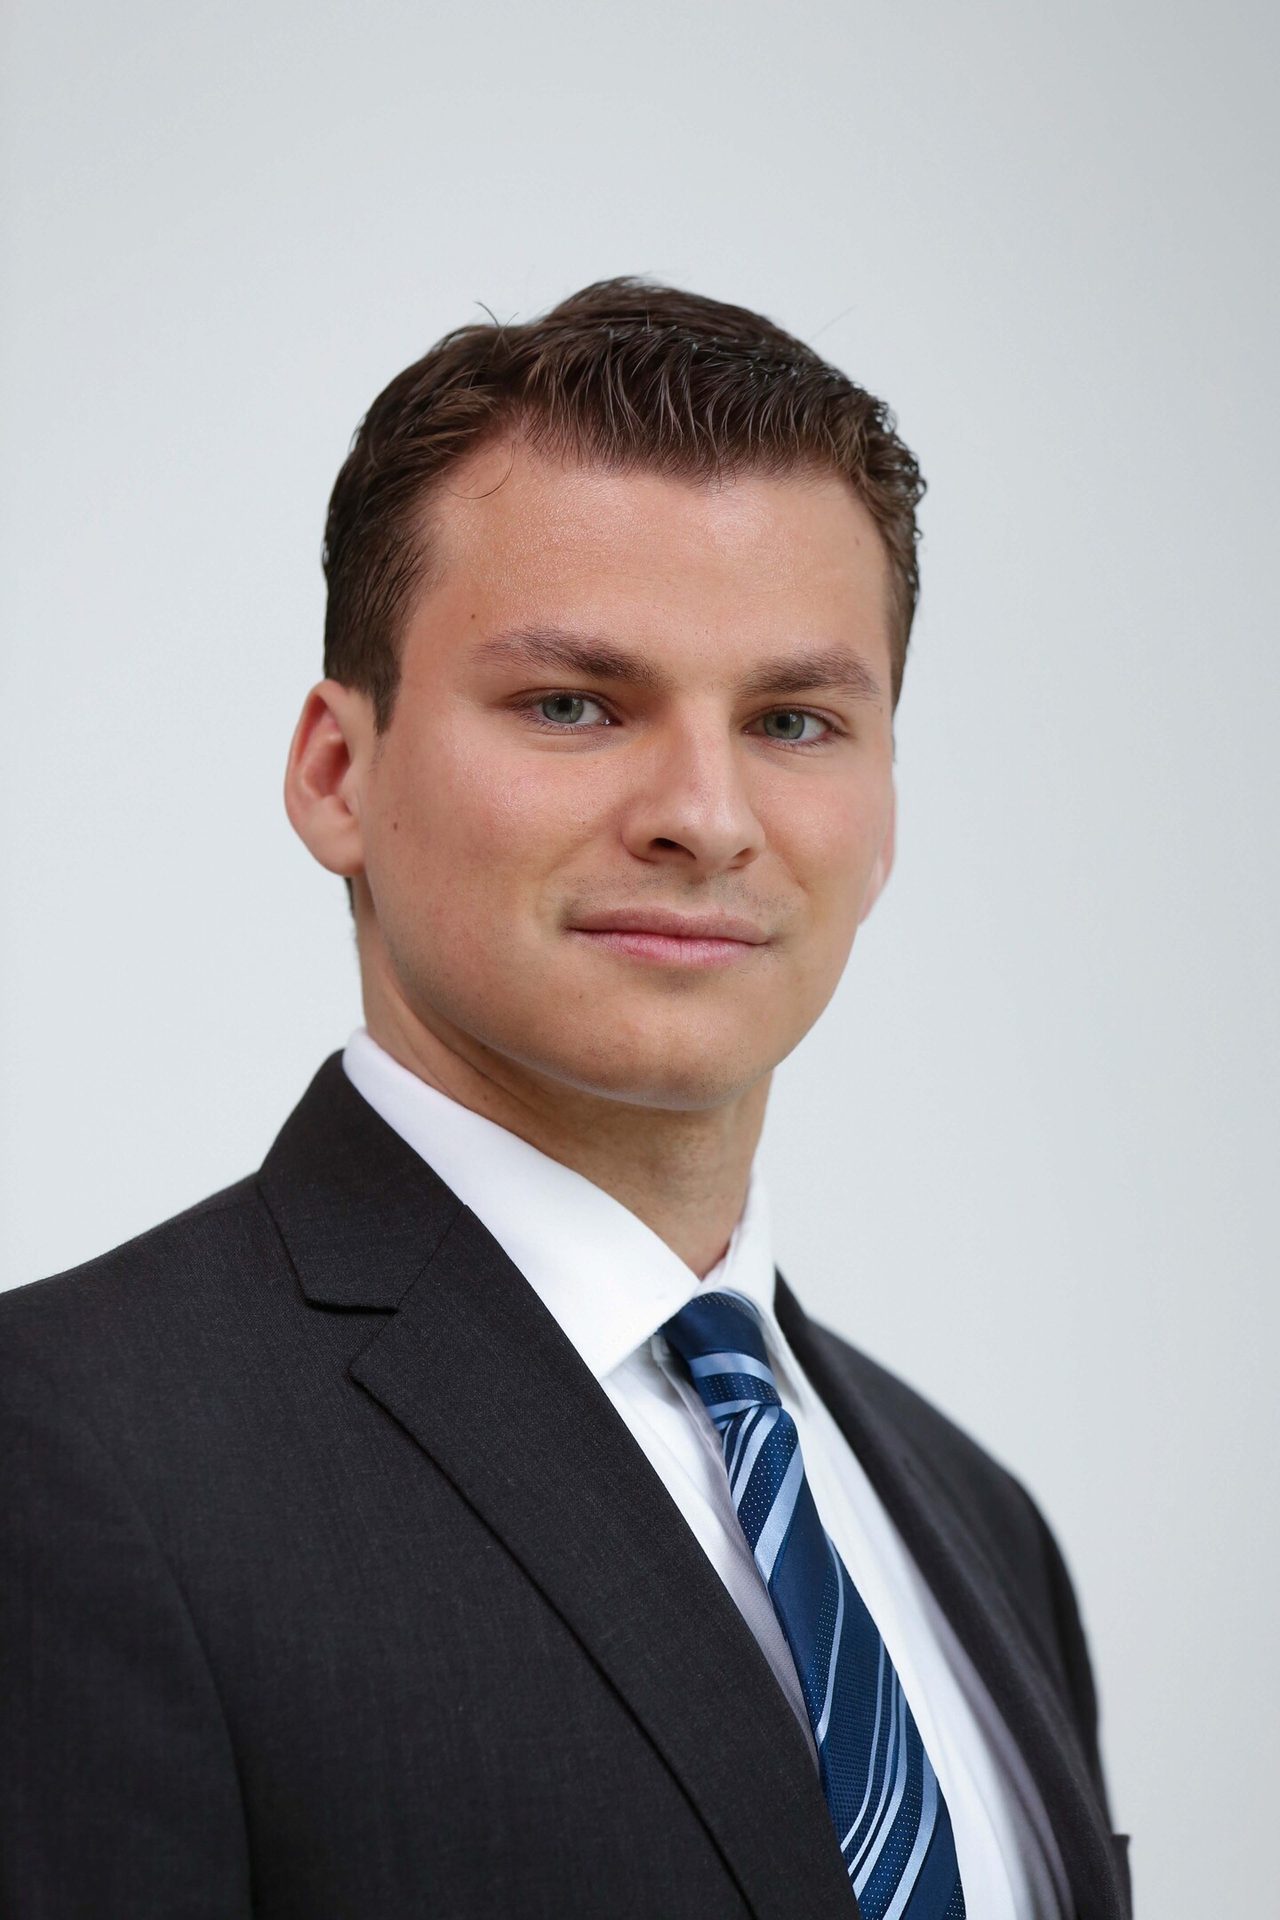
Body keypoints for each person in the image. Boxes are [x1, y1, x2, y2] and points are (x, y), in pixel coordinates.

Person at [0, 278, 1131, 1919]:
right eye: (574, 705)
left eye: (794, 720)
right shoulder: (65, 1458)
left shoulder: (978, 1523)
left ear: (884, 810)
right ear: (336, 773)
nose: (705, 815)